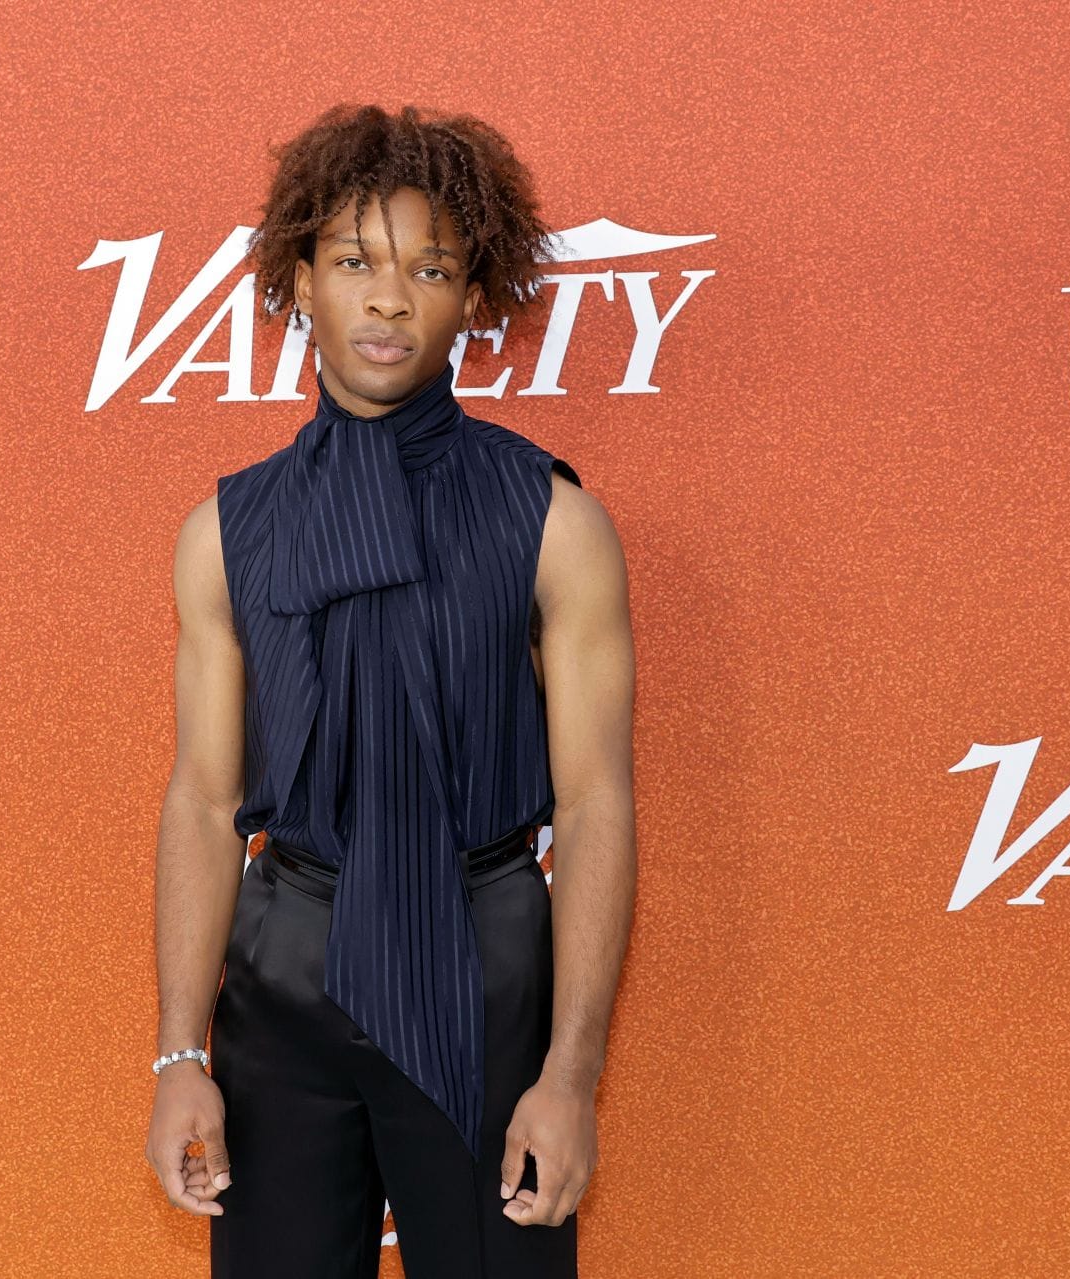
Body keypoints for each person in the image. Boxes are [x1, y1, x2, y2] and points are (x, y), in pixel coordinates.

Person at [145, 102, 637, 1278]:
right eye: (355, 262)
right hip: (284, 975)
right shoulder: (225, 534)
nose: (388, 300)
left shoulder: (554, 524)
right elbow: (204, 801)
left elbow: (596, 804)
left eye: (430, 269)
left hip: (485, 966)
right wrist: (179, 1056)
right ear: (298, 282)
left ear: (472, 300)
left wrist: (569, 1075)